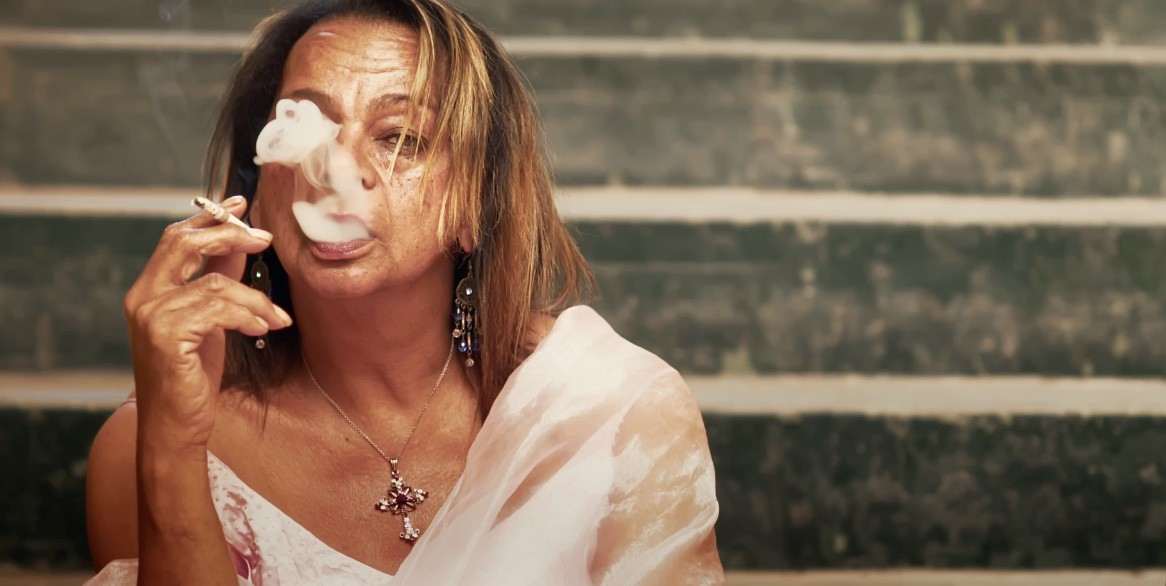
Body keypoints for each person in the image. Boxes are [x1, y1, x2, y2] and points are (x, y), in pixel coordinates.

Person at [84, 0, 723, 583]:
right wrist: (171, 452)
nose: (339, 171)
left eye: (400, 138)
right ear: (259, 191)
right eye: (307, 128)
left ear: (475, 204)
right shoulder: (149, 448)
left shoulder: (612, 417)